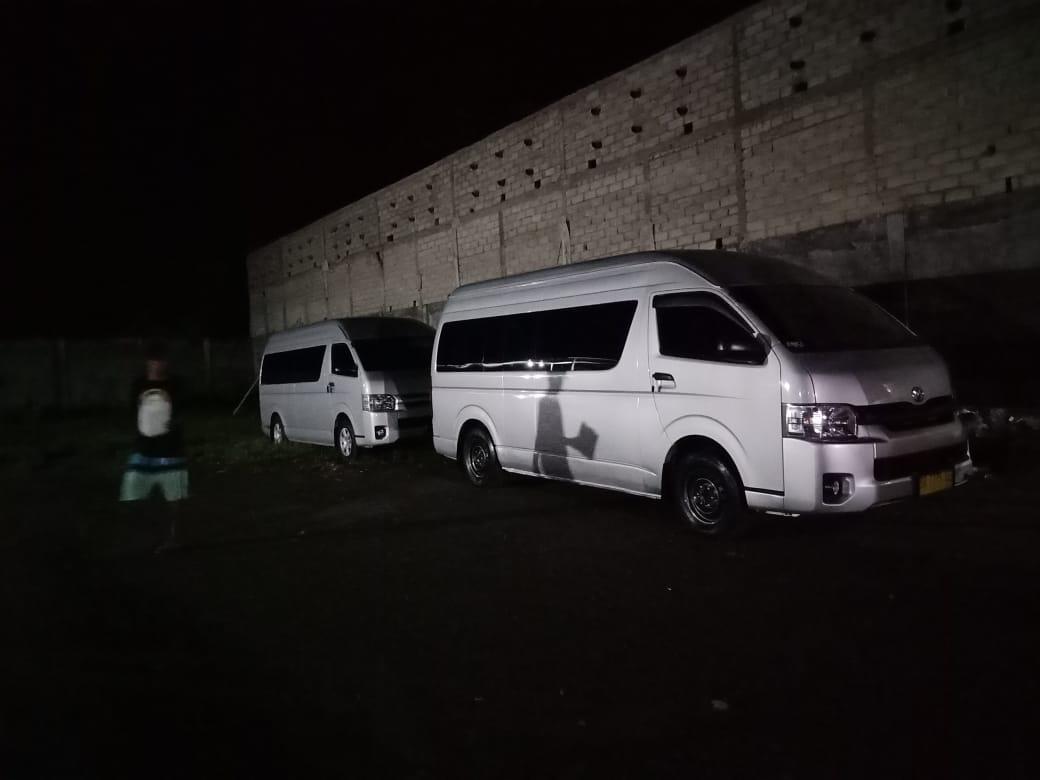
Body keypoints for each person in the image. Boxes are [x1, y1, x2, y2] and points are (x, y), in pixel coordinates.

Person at [119, 341, 188, 552]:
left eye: (161, 360)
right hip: (143, 449)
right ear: (148, 362)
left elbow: (183, 412)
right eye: (154, 361)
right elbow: (133, 411)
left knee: (174, 496)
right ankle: (151, 533)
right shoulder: (139, 385)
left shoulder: (175, 385)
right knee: (133, 493)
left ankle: (172, 537)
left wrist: (174, 424)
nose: (157, 365)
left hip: (170, 449)